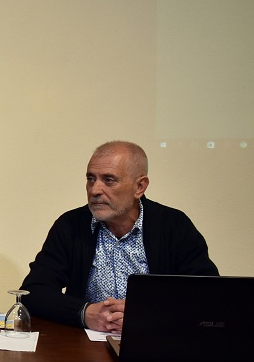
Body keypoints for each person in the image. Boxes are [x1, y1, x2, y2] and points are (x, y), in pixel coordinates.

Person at [21, 141, 218, 332]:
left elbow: (208, 296)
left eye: (109, 180)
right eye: (91, 179)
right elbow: (33, 292)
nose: (95, 190)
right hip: (85, 348)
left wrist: (147, 315)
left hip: (155, 340)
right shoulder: (71, 225)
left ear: (139, 187)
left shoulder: (173, 226)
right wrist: (85, 312)